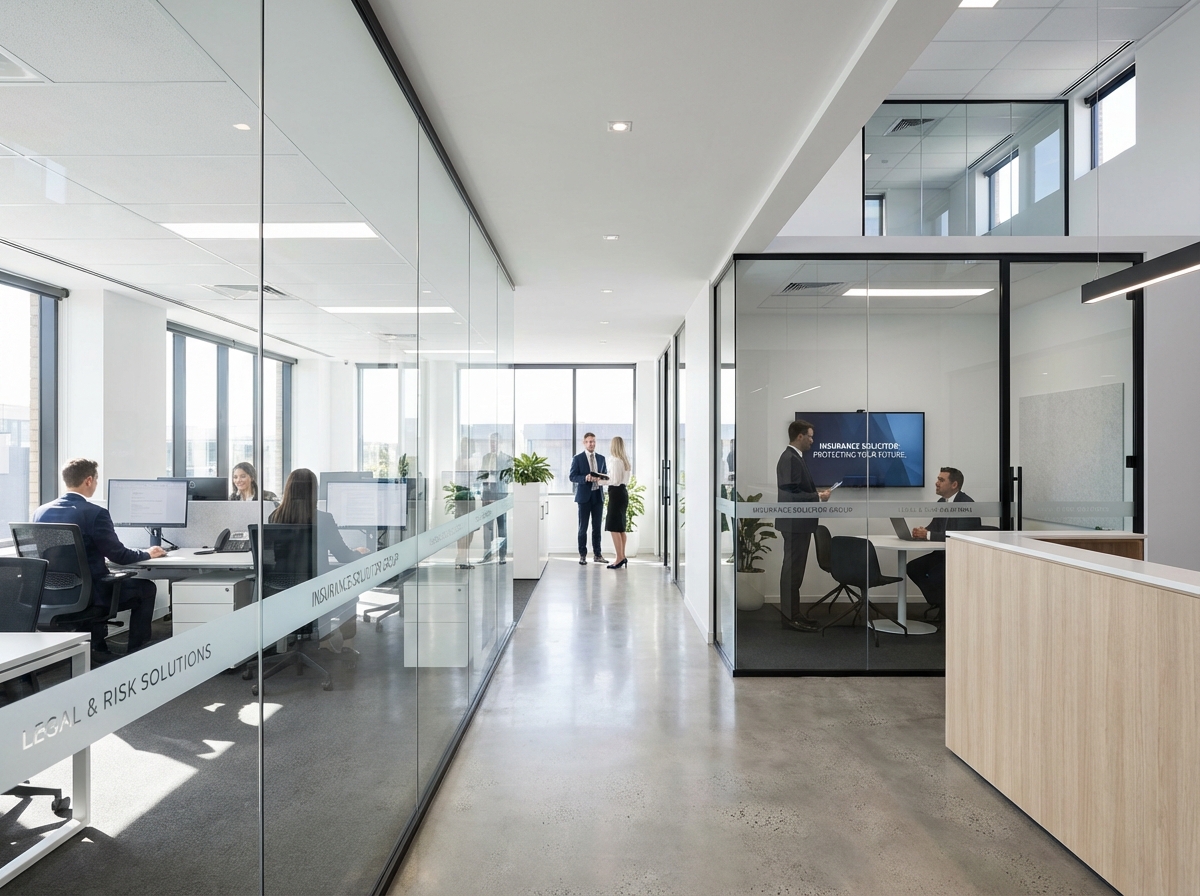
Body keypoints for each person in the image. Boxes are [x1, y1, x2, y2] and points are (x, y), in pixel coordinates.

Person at [32, 458, 166, 662]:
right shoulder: (95, 513)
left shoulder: (40, 512)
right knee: (146, 588)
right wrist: (148, 553)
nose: (95, 484)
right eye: (95, 480)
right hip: (89, 596)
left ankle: (98, 646)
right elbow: (119, 556)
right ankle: (138, 654)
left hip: (50, 595)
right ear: (88, 480)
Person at [269, 468, 369, 650]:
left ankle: (324, 640)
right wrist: (359, 552)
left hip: (282, 589)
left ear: (288, 489)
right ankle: (346, 645)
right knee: (349, 586)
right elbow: (343, 555)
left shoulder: (274, 517)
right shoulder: (323, 519)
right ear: (313, 491)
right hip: (317, 588)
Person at [776, 420, 830, 632]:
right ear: (799, 436)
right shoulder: (790, 458)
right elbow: (791, 495)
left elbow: (796, 490)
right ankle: (790, 617)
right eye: (810, 436)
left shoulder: (795, 458)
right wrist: (817, 496)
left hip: (798, 524)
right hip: (794, 523)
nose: (812, 440)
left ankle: (794, 614)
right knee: (792, 573)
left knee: (795, 572)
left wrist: (816, 494)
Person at [906, 466, 981, 618]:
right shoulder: (942, 502)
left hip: (960, 556)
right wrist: (921, 532)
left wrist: (928, 535)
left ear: (954, 485)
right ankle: (942, 603)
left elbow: (958, 536)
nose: (936, 483)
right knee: (913, 568)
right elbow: (934, 527)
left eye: (941, 480)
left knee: (935, 576)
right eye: (937, 479)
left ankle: (948, 607)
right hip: (942, 554)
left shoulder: (966, 505)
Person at [569, 432, 607, 565]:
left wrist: (600, 478)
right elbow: (572, 476)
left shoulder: (601, 458)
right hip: (584, 497)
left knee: (597, 527)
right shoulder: (578, 458)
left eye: (594, 441)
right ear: (584, 443)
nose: (592, 444)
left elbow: (605, 476)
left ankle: (597, 554)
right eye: (589, 441)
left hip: (598, 496)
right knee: (583, 527)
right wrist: (585, 478)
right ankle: (583, 555)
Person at [479, 432, 511, 563]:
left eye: (495, 441)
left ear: (500, 443)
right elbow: (480, 474)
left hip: (500, 495)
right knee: (488, 528)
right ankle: (487, 555)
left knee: (501, 526)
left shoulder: (507, 458)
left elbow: (509, 478)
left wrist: (495, 475)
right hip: (487, 495)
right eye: (491, 441)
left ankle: (502, 556)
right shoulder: (485, 457)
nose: (492, 444)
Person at [604, 436, 631, 569]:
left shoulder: (615, 461)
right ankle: (622, 556)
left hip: (615, 494)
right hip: (623, 493)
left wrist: (599, 480)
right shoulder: (625, 461)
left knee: (613, 527)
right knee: (620, 527)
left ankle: (619, 558)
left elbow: (613, 480)